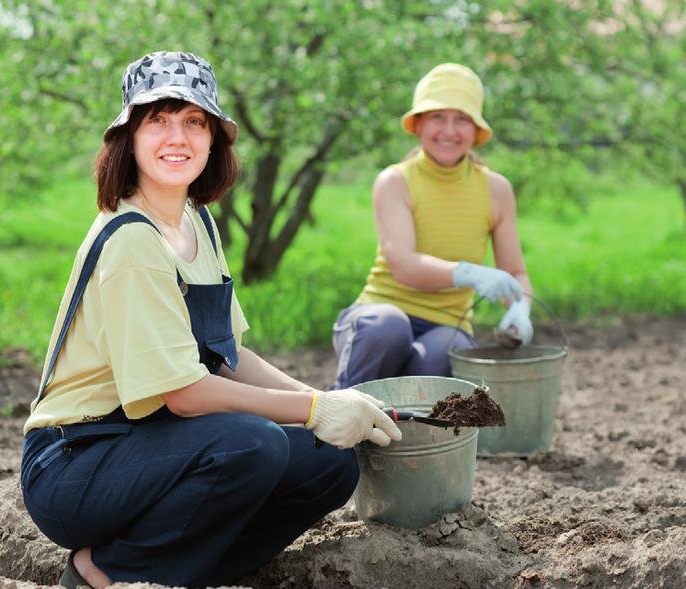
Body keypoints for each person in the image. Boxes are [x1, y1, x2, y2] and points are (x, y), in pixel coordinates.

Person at [20, 51, 401, 589]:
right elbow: (185, 393)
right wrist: (313, 407)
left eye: (194, 122)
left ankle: (187, 572)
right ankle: (104, 571)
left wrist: (331, 405)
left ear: (213, 140)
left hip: (151, 439)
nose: (178, 137)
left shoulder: (197, 222)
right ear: (128, 137)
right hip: (79, 460)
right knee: (251, 444)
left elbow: (227, 358)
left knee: (327, 463)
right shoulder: (132, 239)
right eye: (158, 120)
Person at [332, 63, 534, 389]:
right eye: (438, 116)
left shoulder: (496, 190)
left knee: (446, 352)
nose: (449, 131)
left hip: (447, 325)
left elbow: (515, 272)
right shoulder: (396, 181)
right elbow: (404, 265)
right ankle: (339, 420)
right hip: (379, 317)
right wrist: (471, 273)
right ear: (419, 124)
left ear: (476, 130)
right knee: (389, 327)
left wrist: (520, 308)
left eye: (462, 119)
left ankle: (412, 433)